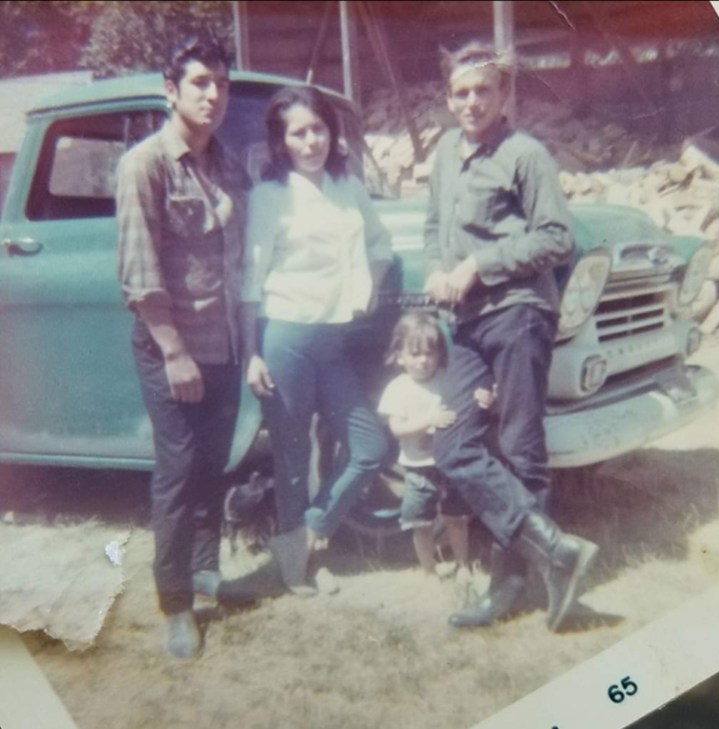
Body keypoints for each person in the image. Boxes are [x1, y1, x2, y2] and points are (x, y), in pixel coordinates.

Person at [423, 40, 598, 632]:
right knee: (451, 443)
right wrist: (436, 268)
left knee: (520, 449)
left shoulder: (526, 155)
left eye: (483, 91)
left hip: (519, 311)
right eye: (460, 92)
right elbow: (432, 227)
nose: (471, 102)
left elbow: (557, 238)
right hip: (468, 320)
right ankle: (558, 555)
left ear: (503, 94)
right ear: (447, 98)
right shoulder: (446, 152)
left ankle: (509, 587)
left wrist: (479, 265)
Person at [116, 35, 251, 659]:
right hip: (171, 344)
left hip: (223, 344)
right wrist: (174, 351)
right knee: (176, 472)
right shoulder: (144, 165)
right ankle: (175, 605)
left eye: (221, 82)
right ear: (170, 91)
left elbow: (239, 260)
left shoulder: (229, 164)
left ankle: (204, 571)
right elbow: (141, 278)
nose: (213, 94)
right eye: (199, 82)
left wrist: (245, 344)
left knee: (212, 466)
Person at [240, 85, 393, 595]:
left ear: (333, 132)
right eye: (298, 133)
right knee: (290, 457)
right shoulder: (269, 196)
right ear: (281, 143)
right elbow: (250, 279)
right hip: (285, 337)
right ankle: (298, 565)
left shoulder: (348, 187)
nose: (311, 142)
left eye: (318, 129)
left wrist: (368, 283)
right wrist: (252, 353)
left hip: (332, 343)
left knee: (368, 446)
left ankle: (310, 534)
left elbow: (380, 242)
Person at [378, 311, 473, 580]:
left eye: (430, 353)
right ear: (399, 356)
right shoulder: (397, 389)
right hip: (418, 470)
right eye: (415, 353)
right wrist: (428, 421)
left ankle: (463, 565)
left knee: (457, 518)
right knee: (421, 523)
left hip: (450, 464)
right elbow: (397, 429)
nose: (423, 360)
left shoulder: (446, 380)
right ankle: (429, 571)